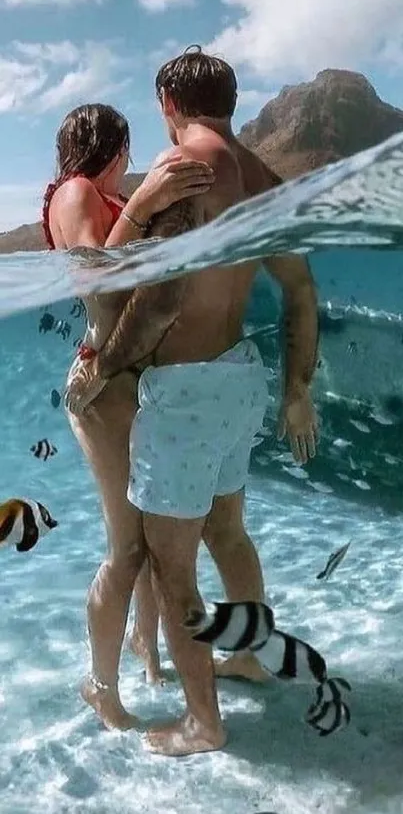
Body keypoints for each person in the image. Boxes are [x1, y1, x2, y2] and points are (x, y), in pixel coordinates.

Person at [65, 48, 319, 757]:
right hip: (241, 374)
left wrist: (106, 365)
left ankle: (203, 722)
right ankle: (245, 653)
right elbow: (299, 287)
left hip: (183, 388)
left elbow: (140, 292)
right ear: (230, 102)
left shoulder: (182, 175)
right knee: (228, 533)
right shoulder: (262, 176)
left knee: (170, 563)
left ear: (167, 107)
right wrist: (297, 388)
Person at [44, 101, 268, 734]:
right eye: (128, 154)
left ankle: (149, 650)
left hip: (133, 381)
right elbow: (97, 284)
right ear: (115, 150)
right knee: (129, 548)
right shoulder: (78, 192)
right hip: (105, 383)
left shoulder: (96, 193)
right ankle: (101, 685)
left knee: (151, 531)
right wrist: (140, 208)